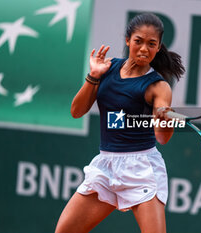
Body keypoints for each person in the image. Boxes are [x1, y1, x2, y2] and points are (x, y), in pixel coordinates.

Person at [55, 13, 185, 233]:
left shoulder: (159, 87)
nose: (144, 49)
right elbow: (76, 111)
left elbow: (162, 138)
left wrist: (163, 120)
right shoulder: (108, 69)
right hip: (106, 166)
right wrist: (94, 76)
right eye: (138, 41)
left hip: (142, 169)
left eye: (151, 44)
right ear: (128, 40)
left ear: (158, 47)